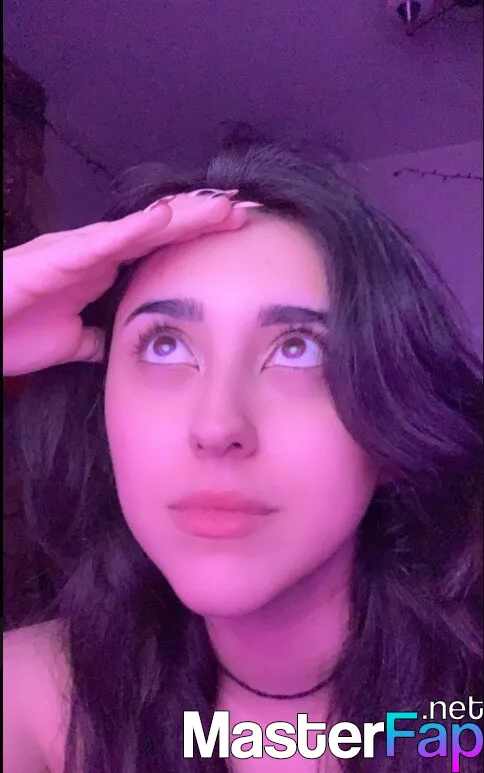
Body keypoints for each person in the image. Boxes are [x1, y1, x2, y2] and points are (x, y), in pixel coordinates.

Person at [3, 137, 482, 773]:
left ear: (394, 421)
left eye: (299, 350)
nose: (217, 426)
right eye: (166, 345)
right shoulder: (34, 695)